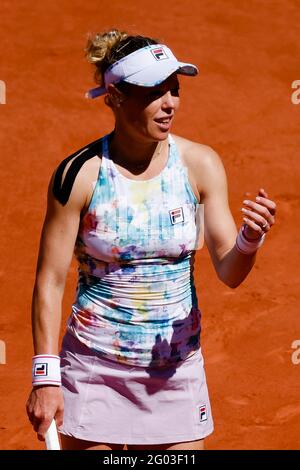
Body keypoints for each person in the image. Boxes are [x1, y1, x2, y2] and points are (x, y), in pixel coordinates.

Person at [26, 29, 277, 451]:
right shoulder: (80, 175)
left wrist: (249, 240)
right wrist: (45, 379)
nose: (170, 104)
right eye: (154, 92)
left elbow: (230, 271)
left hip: (175, 375)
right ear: (116, 96)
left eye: (174, 90)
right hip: (94, 372)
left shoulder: (200, 166)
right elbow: (49, 281)